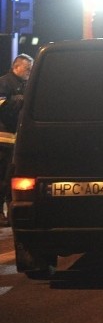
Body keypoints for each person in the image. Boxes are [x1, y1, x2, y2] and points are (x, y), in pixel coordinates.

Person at [0, 53, 33, 227]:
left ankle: (10, 214)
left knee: (10, 179)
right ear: (16, 67)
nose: (29, 71)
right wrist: (19, 100)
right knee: (2, 178)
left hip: (16, 141)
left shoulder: (26, 84)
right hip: (3, 140)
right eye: (27, 68)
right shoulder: (4, 82)